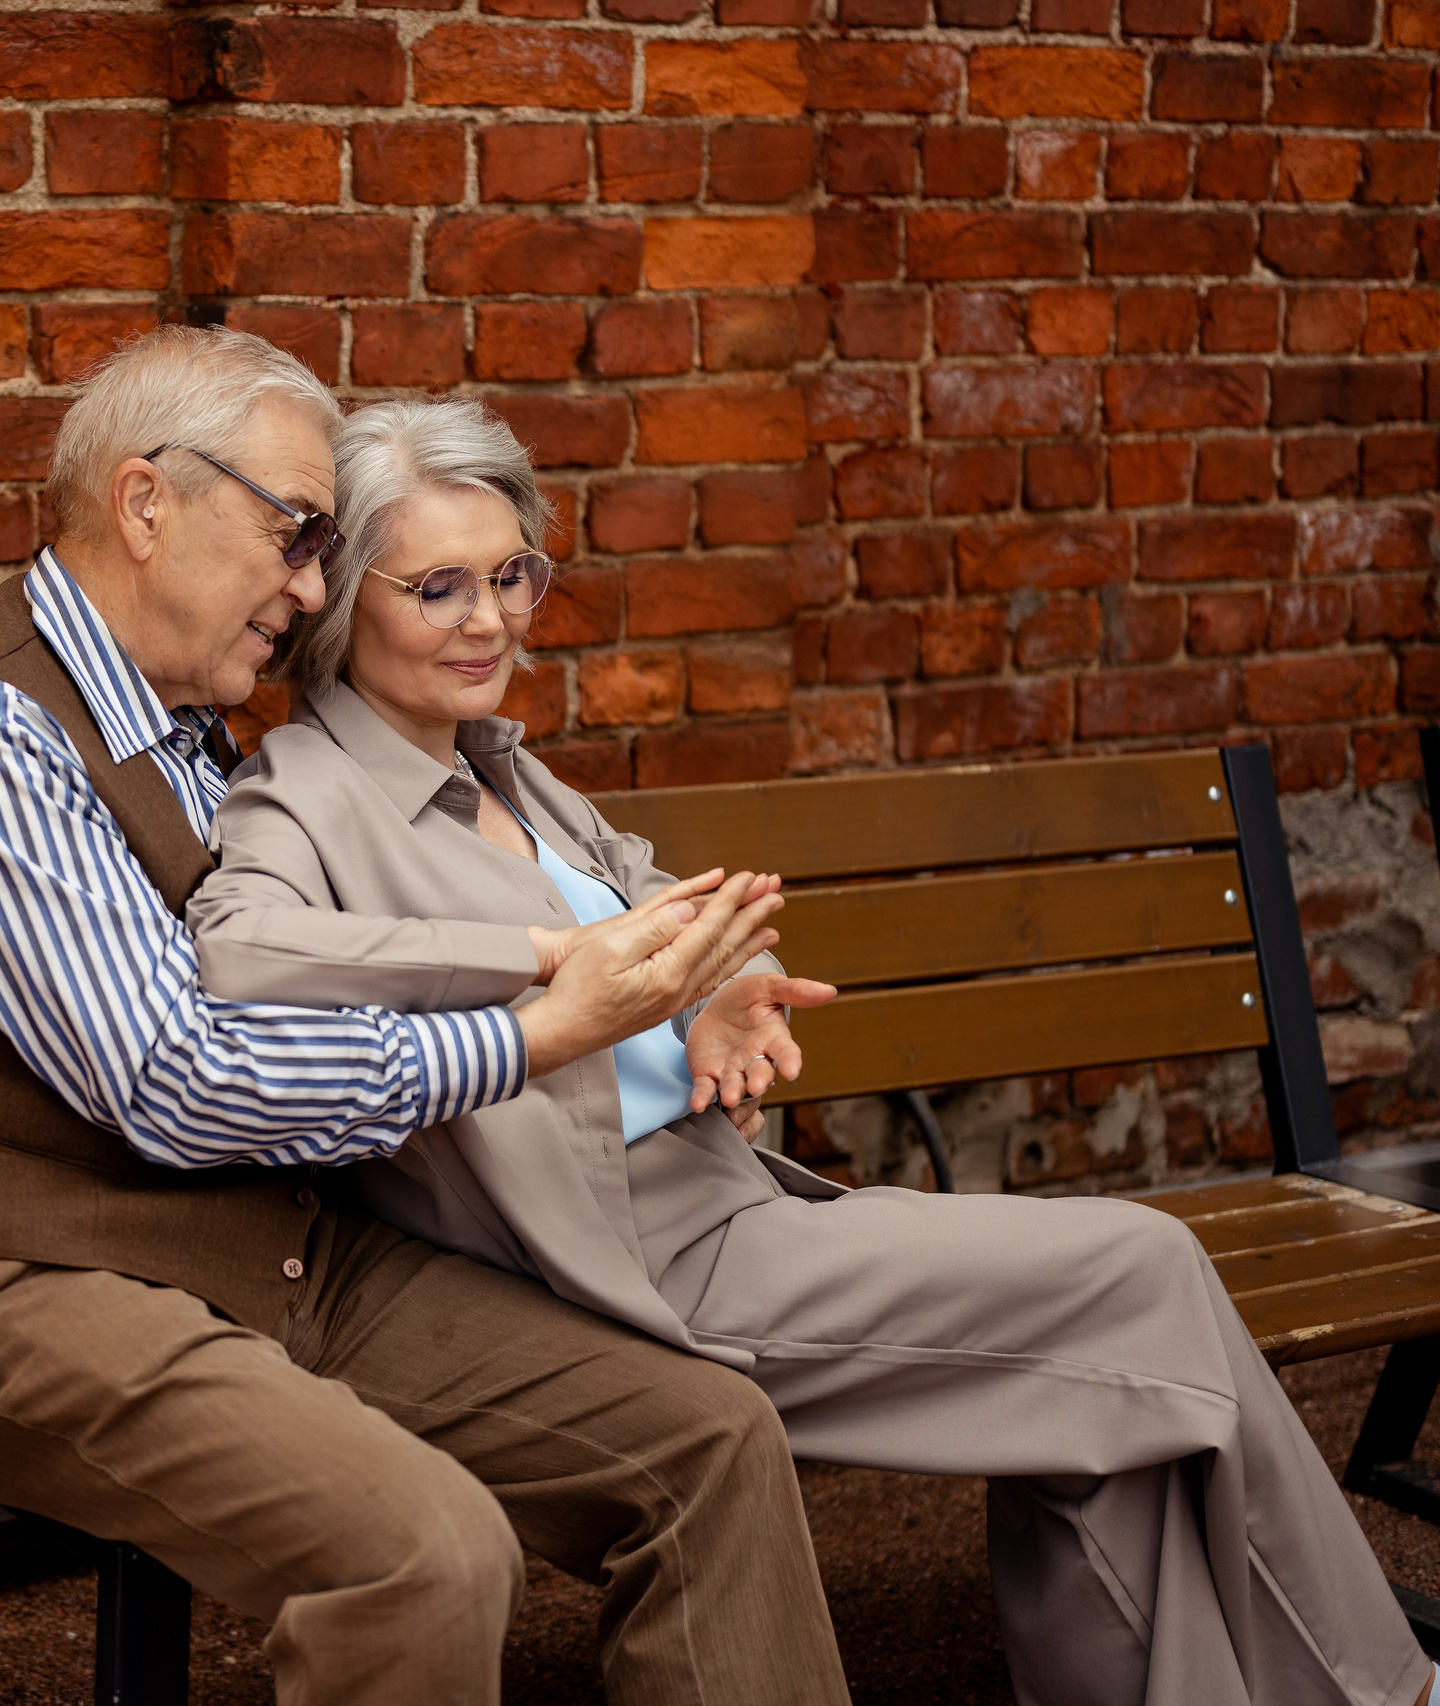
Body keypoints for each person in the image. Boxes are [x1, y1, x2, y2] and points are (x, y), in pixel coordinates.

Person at [185, 392, 1439, 1706]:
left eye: (512, 574)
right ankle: (1384, 1689)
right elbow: (243, 955)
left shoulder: (509, 772)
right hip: (630, 1272)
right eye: (438, 585)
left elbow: (674, 916)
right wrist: (551, 967)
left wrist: (725, 987)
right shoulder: (303, 793)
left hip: (733, 1212)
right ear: (343, 604)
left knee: (1110, 1429)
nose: (490, 618)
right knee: (1145, 1266)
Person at [0, 327, 854, 1704]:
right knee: (425, 1551)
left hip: (266, 1249)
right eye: (296, 535)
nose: (310, 590)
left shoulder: (195, 733)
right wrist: (538, 1025)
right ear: (146, 503)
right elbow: (172, 1077)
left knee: (709, 1436)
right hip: (6, 1280)